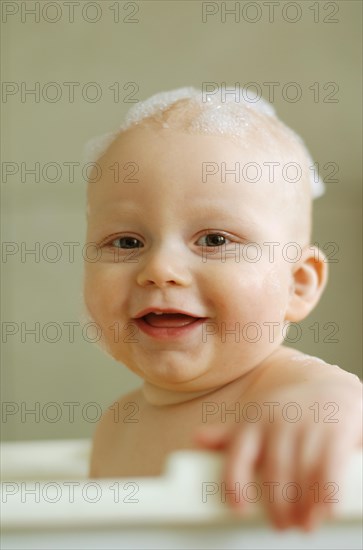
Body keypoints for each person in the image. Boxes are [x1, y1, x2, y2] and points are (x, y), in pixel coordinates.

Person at [83, 87, 362, 531]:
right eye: (126, 242)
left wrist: (330, 404)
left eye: (214, 240)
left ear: (297, 284)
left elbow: (342, 400)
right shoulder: (118, 424)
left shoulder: (288, 389)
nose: (160, 269)